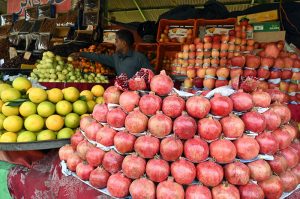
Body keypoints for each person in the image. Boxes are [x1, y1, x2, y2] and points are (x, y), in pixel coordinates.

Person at [74, 29, 153, 78]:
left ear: (124, 43)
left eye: (116, 41)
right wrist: (81, 54)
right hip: (121, 96)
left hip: (136, 97)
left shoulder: (139, 58)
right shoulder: (116, 58)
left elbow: (151, 75)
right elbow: (99, 57)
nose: (115, 44)